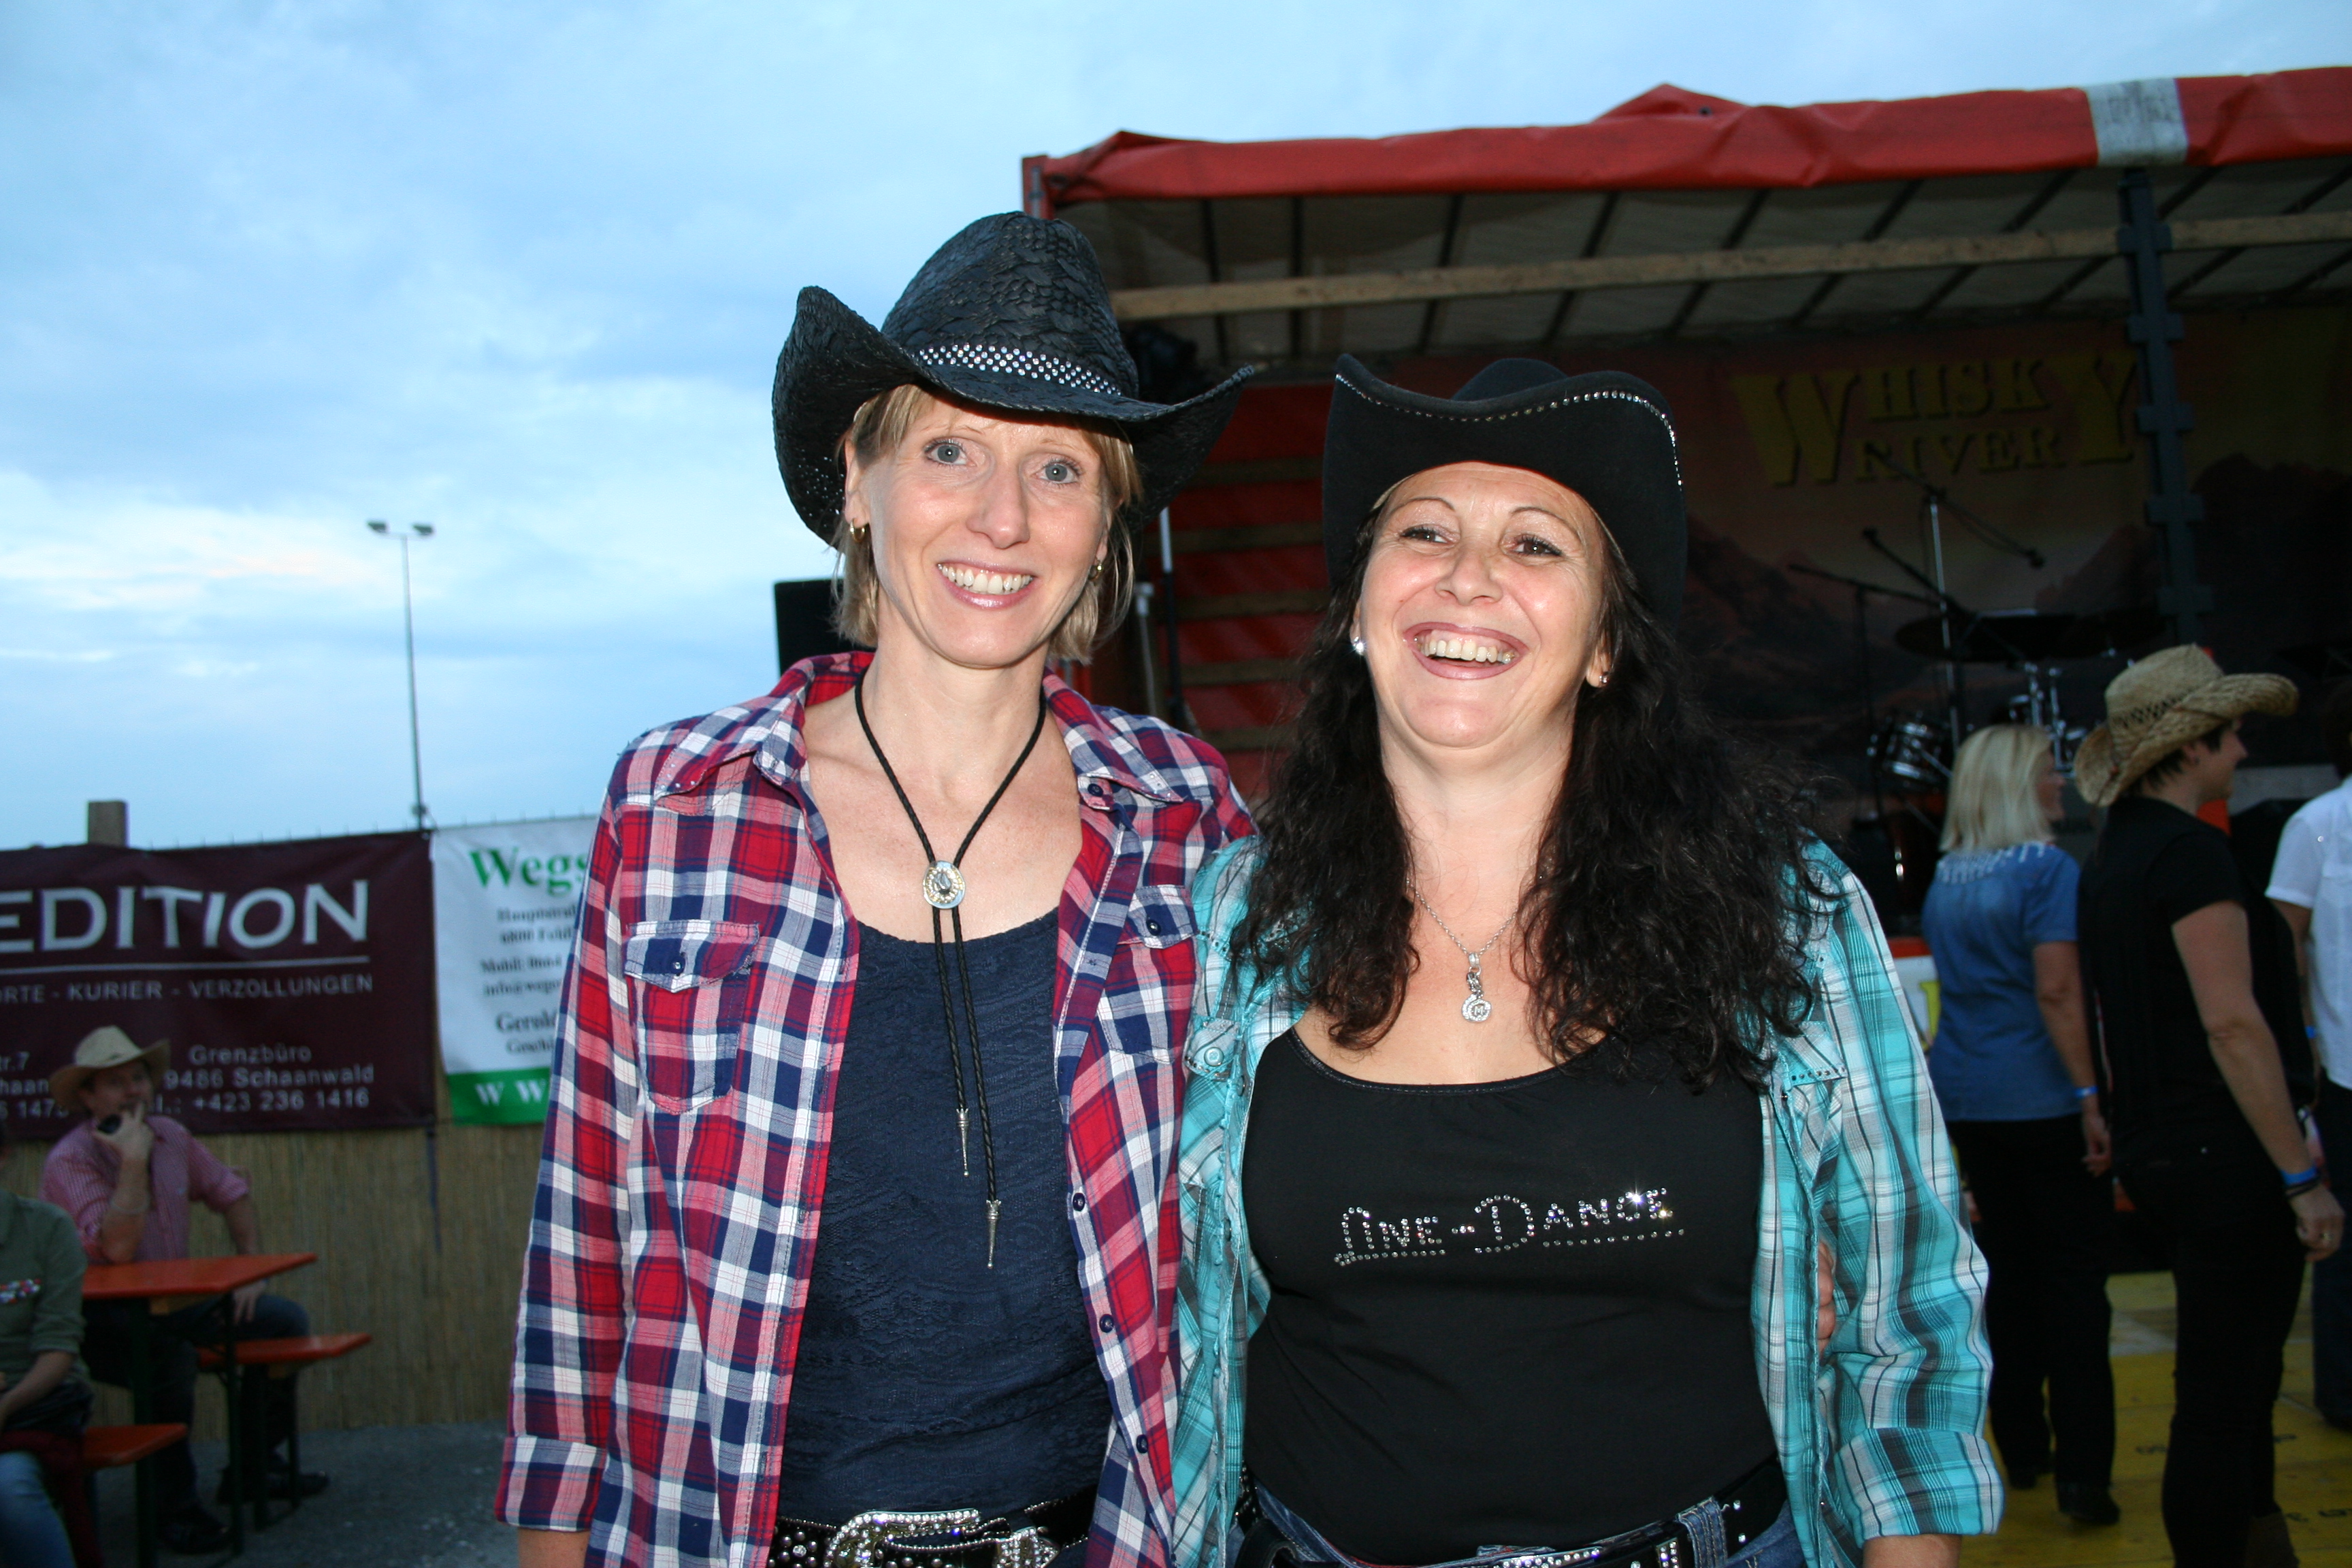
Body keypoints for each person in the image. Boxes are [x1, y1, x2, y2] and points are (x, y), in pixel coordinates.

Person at [498, 213, 1252, 1568]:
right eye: (949, 450)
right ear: (857, 475)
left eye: (1059, 468)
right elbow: (583, 1235)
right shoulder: (679, 803)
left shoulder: (1189, 815)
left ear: (1108, 521)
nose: (1002, 517)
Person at [1171, 357, 1998, 1568]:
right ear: (1356, 609)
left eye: (1535, 544)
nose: (1468, 575)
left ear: (1607, 642)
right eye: (1424, 531)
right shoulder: (1229, 924)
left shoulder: (1781, 908)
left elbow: (1907, 1305)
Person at [2074, 647, 2338, 1568]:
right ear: (2190, 747)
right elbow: (2232, 1022)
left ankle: (2259, 1542)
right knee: (2226, 1398)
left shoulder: (2115, 855)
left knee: (2233, 1390)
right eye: (2230, 736)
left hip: (2164, 1150)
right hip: (2222, 1156)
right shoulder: (2188, 854)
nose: (2242, 751)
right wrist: (2300, 1177)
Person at [1919, 724, 2116, 1523]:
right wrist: (2091, 1096)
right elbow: (2059, 990)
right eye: (2046, 772)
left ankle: (2023, 1447)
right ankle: (2085, 1476)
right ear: (2015, 785)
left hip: (1968, 1095)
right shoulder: (2047, 869)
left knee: (2004, 1277)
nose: (2059, 783)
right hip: (2041, 1095)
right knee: (2074, 1285)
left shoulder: (1947, 878)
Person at [40, 1026, 327, 1556]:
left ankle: (252, 1468)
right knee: (168, 1360)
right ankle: (173, 1508)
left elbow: (230, 1192)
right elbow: (117, 1249)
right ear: (87, 1098)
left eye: (139, 1078)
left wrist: (251, 1268)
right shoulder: (70, 1160)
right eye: (115, 1083)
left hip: (175, 1302)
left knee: (282, 1322)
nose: (133, 1091)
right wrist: (132, 1161)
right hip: (97, 1317)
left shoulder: (171, 1134)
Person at [2268, 679, 2352, 1428]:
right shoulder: (2318, 824)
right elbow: (2281, 944)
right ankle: (2344, 1392)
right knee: (2346, 1241)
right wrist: (2306, 1042)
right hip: (2348, 1069)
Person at [0, 1105, 91, 1568]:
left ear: (3, 1155)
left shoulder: (46, 1228)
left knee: (9, 1490)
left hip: (30, 1403)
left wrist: (5, 1406)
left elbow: (58, 1349)